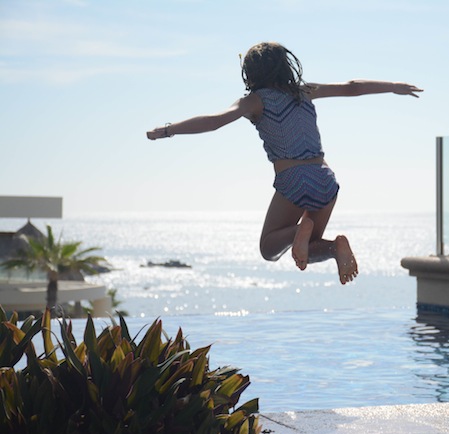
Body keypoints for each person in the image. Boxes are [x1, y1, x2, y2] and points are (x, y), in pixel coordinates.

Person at [147, 42, 422, 285]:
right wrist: (393, 87)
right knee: (309, 247)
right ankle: (335, 247)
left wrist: (169, 130)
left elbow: (214, 121)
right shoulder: (304, 91)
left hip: (294, 178)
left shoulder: (253, 101)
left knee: (269, 248)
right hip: (325, 178)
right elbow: (352, 88)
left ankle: (299, 229)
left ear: (250, 73)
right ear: (286, 67)